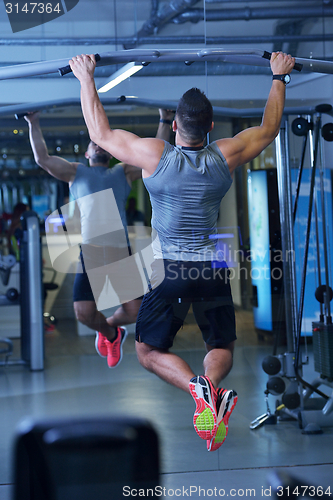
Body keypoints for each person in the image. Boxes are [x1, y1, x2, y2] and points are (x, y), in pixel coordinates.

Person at [69, 51, 295, 450]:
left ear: (174, 125)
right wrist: (278, 77)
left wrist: (87, 78)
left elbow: (101, 135)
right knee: (220, 345)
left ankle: (197, 389)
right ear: (210, 127)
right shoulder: (225, 155)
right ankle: (211, 387)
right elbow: (268, 128)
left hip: (170, 269)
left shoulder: (155, 157)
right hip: (212, 267)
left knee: (147, 351)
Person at [25, 110, 173, 368]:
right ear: (87, 153)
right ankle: (110, 335)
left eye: (101, 142)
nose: (97, 145)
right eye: (93, 143)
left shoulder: (123, 172)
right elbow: (43, 158)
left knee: (134, 312)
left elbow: (156, 157)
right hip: (91, 252)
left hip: (119, 251)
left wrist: (164, 120)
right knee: (83, 313)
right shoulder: (75, 172)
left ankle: (113, 328)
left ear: (109, 150)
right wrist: (33, 122)